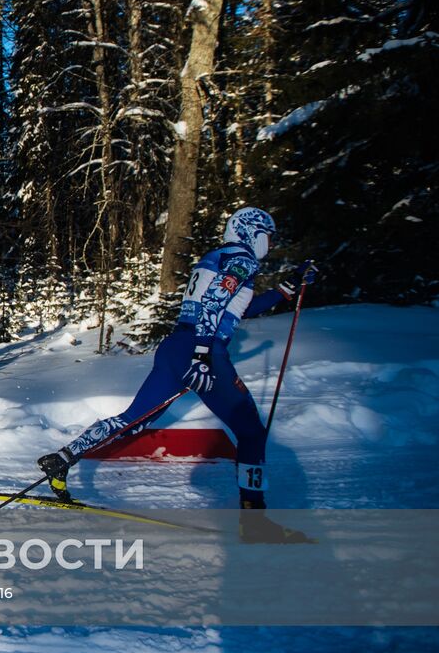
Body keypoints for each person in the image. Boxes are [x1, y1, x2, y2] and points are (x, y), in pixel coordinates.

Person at [35, 207, 319, 542]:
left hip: (175, 347)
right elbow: (214, 304)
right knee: (252, 432)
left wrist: (286, 289)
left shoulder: (218, 256)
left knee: (134, 420)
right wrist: (201, 354)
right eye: (267, 237)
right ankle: (254, 522)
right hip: (204, 350)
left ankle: (63, 458)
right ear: (252, 233)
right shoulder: (243, 257)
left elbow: (237, 308)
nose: (269, 244)